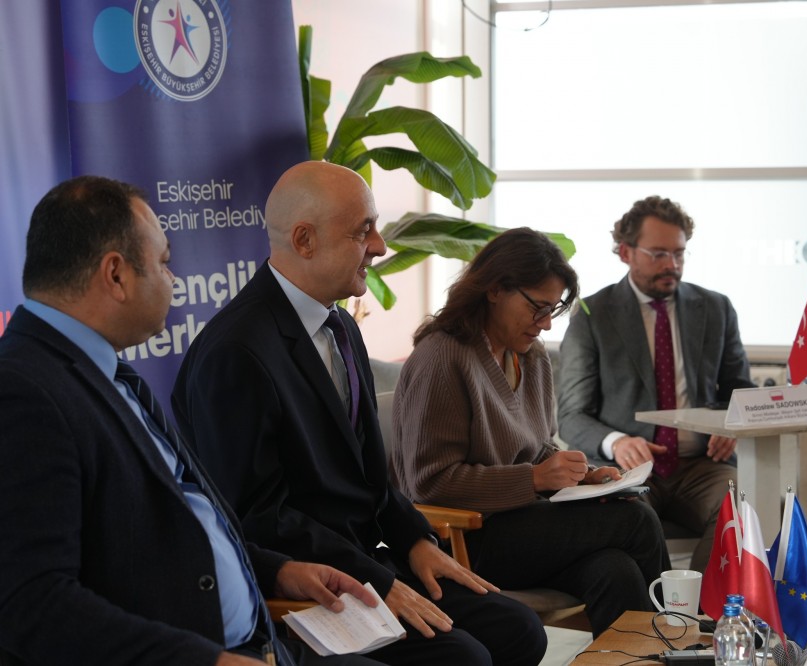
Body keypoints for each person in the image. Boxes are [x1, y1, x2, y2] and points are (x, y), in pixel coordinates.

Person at [0, 175, 387, 666]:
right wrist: (208, 661)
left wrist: (277, 570)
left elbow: (169, 531)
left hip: (257, 642)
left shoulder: (109, 372)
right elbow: (33, 604)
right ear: (116, 275)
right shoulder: (23, 394)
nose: (174, 280)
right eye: (164, 263)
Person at [172, 161, 546, 666]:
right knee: (464, 658)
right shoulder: (235, 352)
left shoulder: (341, 326)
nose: (380, 246)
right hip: (311, 587)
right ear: (304, 240)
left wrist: (414, 539)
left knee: (519, 628)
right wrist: (376, 580)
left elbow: (371, 477)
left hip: (370, 562)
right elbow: (256, 520)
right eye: (362, 230)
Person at [390, 227, 669, 637]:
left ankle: (647, 658)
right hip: (465, 537)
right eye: (538, 308)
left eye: (552, 311)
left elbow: (536, 448)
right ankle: (682, 642)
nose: (546, 324)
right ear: (495, 289)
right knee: (635, 520)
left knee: (616, 571)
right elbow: (429, 484)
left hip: (526, 526)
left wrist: (584, 476)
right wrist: (535, 478)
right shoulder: (443, 357)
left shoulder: (531, 356)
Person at [557, 195, 754, 573]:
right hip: (626, 468)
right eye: (659, 254)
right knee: (625, 517)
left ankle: (704, 605)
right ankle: (656, 606)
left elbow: (739, 391)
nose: (672, 265)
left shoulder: (715, 308)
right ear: (626, 252)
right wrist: (617, 442)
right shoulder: (593, 315)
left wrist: (731, 425)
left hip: (704, 465)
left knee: (744, 500)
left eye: (679, 253)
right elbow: (571, 416)